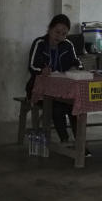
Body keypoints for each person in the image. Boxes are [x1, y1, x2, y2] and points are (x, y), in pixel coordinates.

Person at [26, 14, 82, 144]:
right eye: (57, 32)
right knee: (57, 107)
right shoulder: (39, 43)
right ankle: (65, 140)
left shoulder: (68, 45)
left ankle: (80, 142)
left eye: (64, 33)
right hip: (40, 90)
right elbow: (32, 66)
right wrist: (41, 71)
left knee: (75, 106)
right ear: (49, 29)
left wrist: (76, 67)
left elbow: (78, 63)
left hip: (63, 90)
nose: (59, 36)